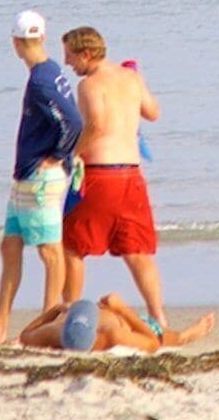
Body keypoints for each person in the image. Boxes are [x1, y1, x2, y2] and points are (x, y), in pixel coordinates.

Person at [57, 25, 170, 333]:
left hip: (101, 175)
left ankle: (68, 311)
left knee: (72, 246)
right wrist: (139, 80)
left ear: (87, 54)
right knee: (137, 251)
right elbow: (153, 112)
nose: (68, 64)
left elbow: (96, 126)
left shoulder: (90, 85)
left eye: (70, 56)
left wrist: (71, 155)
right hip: (131, 175)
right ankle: (158, 316)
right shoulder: (131, 78)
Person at [0, 7, 84, 342]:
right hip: (24, 177)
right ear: (41, 37)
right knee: (10, 246)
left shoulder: (42, 79)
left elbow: (73, 121)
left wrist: (57, 154)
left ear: (15, 42)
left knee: (50, 252)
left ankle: (47, 322)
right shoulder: (49, 70)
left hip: (40, 180)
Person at [15, 291, 218, 353]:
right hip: (131, 323)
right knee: (163, 335)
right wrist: (122, 309)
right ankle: (185, 336)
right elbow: (153, 344)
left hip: (77, 330)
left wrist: (56, 309)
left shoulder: (56, 331)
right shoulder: (111, 334)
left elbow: (25, 335)